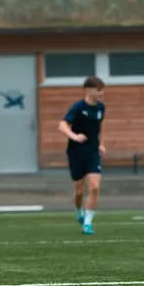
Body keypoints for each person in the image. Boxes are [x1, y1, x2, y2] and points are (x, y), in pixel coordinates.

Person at [58, 76, 107, 235]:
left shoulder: (101, 107)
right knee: (79, 191)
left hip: (92, 152)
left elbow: (100, 127)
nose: (101, 93)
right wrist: (74, 136)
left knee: (94, 186)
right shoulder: (78, 107)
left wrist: (101, 143)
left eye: (102, 89)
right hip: (76, 152)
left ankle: (87, 223)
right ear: (88, 90)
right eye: (98, 89)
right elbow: (62, 125)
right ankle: (79, 210)